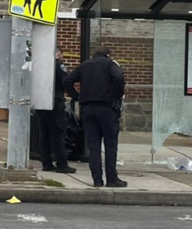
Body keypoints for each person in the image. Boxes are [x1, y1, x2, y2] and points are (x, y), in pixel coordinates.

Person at [63, 48, 127, 188]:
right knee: (110, 145)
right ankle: (112, 179)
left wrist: (77, 97)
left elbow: (67, 81)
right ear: (108, 54)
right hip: (107, 108)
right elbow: (119, 77)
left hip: (87, 109)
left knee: (93, 145)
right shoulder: (110, 64)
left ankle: (97, 180)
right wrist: (117, 94)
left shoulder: (84, 65)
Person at [35, 47, 77, 174]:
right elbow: (65, 82)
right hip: (55, 104)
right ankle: (61, 164)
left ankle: (46, 163)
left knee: (44, 135)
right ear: (58, 55)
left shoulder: (38, 65)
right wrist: (76, 96)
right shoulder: (58, 66)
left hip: (40, 103)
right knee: (59, 134)